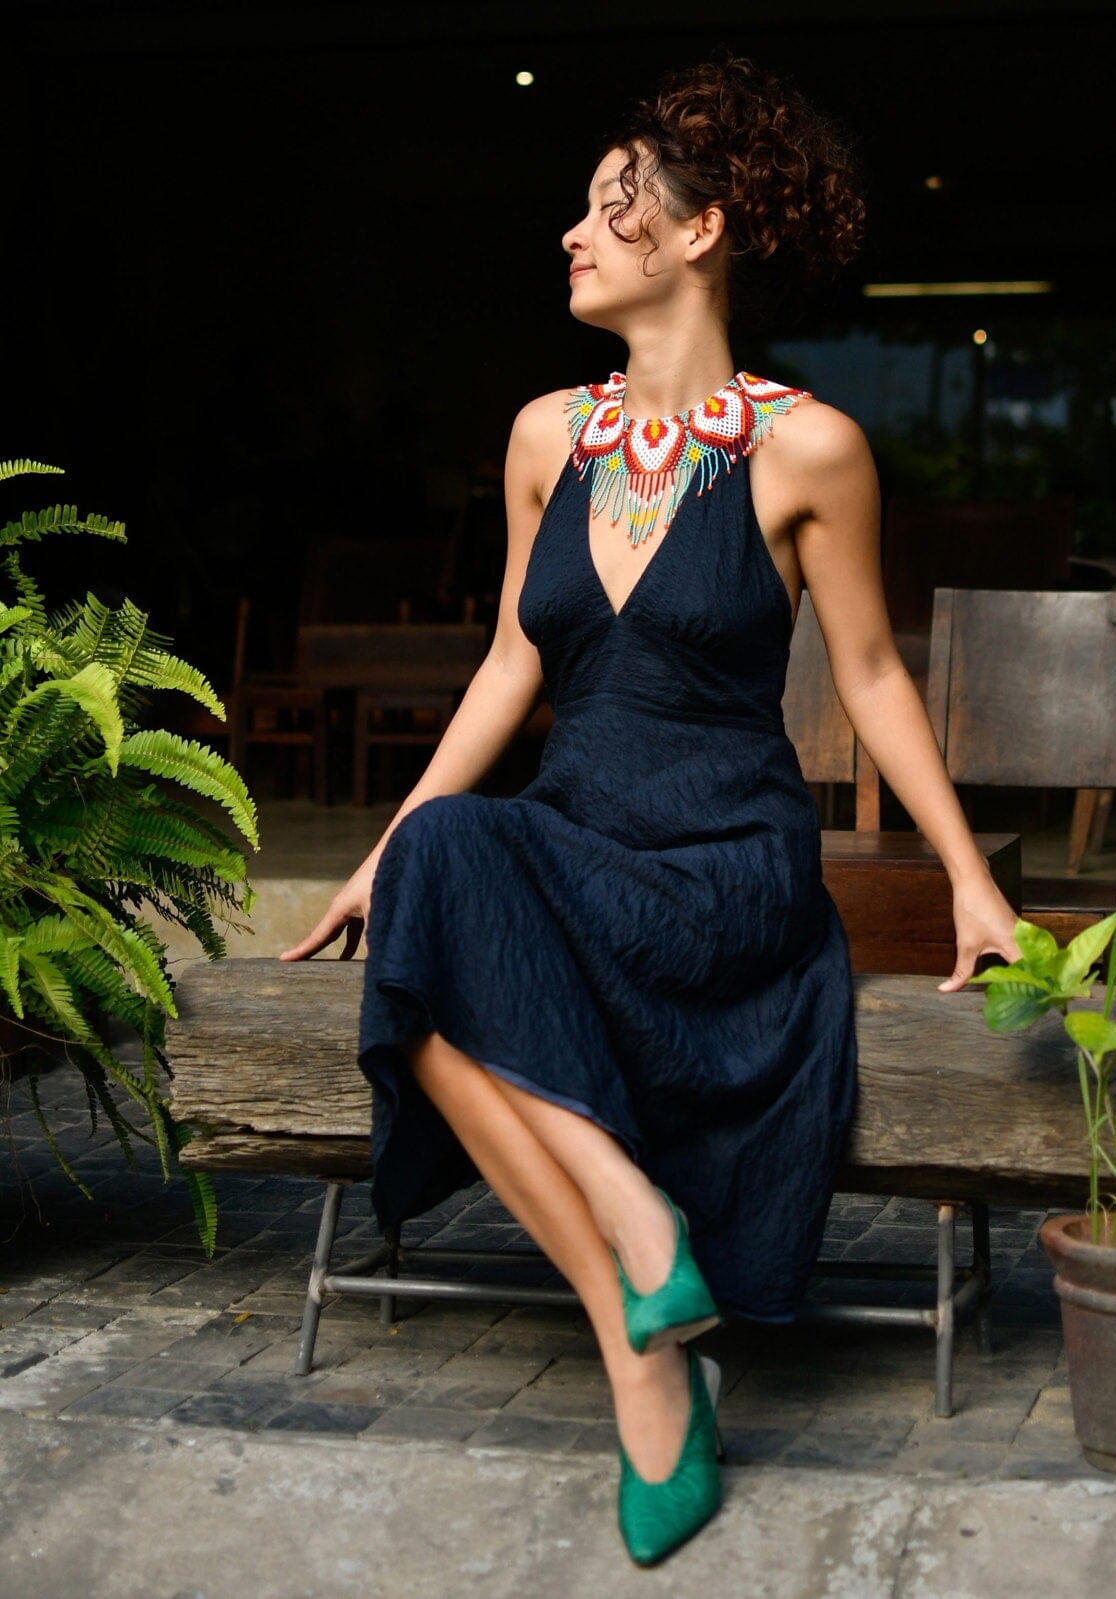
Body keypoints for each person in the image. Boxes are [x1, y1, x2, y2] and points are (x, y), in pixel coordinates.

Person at [281, 55, 1022, 1568]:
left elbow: (873, 675)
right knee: (426, 892)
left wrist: (969, 877)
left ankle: (645, 1291)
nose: (571, 234)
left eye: (607, 208)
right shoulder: (545, 435)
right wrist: (381, 854)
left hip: (725, 871)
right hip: (576, 844)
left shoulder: (809, 447)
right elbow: (511, 663)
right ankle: (643, 1309)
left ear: (699, 232)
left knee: (434, 933)